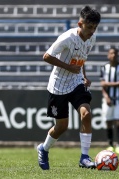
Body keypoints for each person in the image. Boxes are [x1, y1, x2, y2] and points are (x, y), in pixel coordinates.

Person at [36, 6, 101, 170]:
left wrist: (84, 76)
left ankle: (84, 158)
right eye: (89, 27)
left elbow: (82, 59)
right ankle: (43, 149)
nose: (92, 31)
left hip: (76, 82)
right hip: (58, 85)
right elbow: (46, 56)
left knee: (86, 114)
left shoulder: (91, 39)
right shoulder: (67, 38)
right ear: (80, 24)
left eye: (95, 28)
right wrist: (68, 67)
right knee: (61, 127)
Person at [100, 48, 119, 154]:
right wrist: (106, 97)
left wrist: (108, 84)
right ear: (108, 55)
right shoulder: (104, 68)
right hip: (107, 99)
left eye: (115, 53)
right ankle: (110, 144)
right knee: (108, 121)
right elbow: (102, 85)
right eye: (111, 53)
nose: (113, 55)